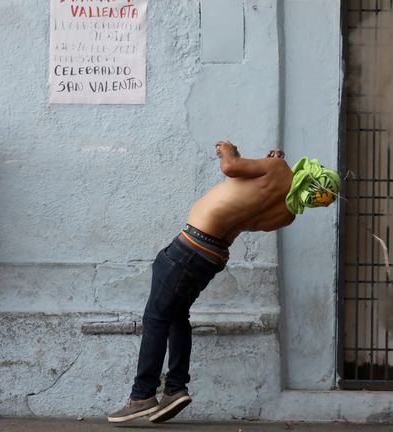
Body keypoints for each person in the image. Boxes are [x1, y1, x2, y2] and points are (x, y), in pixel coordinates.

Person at [107, 141, 340, 424]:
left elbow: (230, 168)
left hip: (188, 249)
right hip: (213, 256)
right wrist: (267, 168)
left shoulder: (278, 167)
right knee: (177, 316)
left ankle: (142, 395)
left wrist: (230, 150)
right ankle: (175, 389)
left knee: (156, 318)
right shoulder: (287, 214)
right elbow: (247, 215)